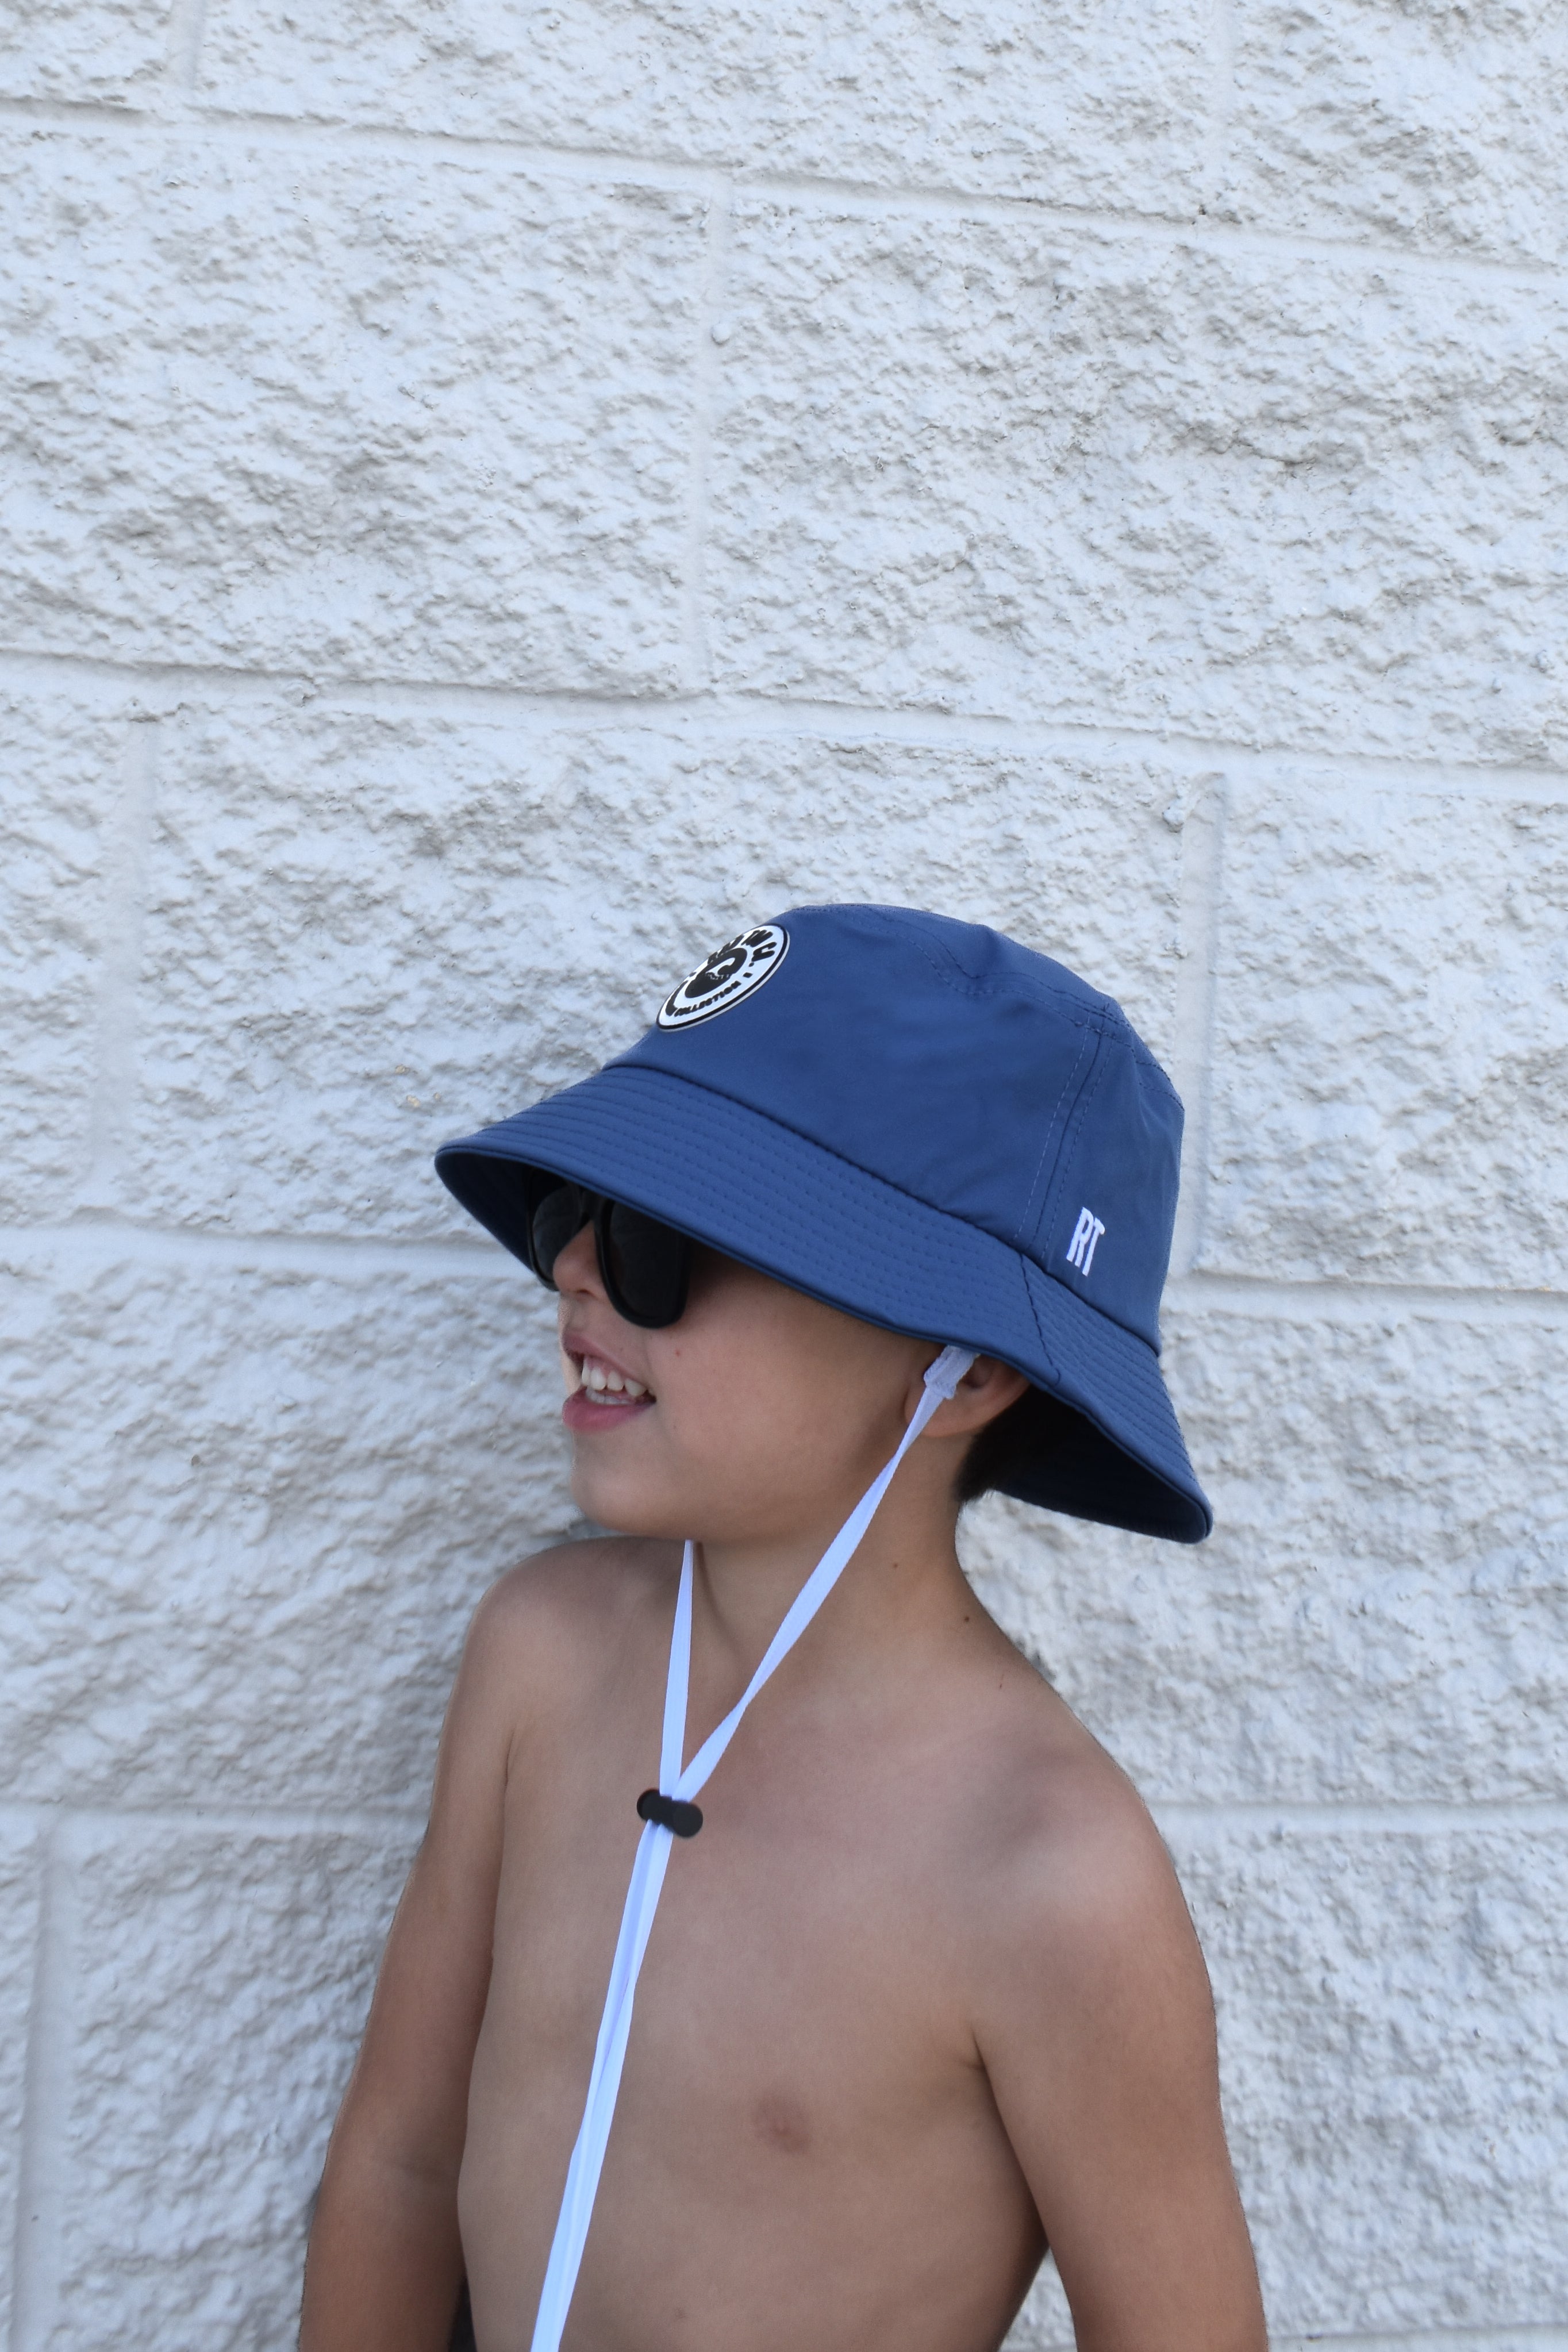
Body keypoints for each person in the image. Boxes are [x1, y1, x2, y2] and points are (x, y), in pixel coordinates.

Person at [299, 904, 1266, 2352]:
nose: (571, 1273)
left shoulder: (1048, 1875)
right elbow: (400, 2165)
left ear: (969, 1372)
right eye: (575, 1213)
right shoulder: (542, 1658)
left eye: (659, 1239)